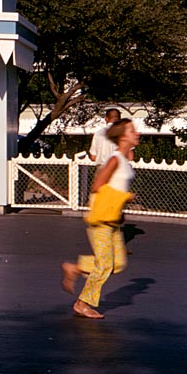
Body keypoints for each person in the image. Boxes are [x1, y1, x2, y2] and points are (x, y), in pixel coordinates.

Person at [61, 119, 139, 319]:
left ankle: (75, 268)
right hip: (102, 219)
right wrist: (124, 198)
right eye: (132, 130)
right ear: (122, 135)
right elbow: (98, 186)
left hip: (113, 219)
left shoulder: (124, 158)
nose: (136, 133)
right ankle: (82, 303)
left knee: (118, 263)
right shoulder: (114, 159)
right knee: (104, 265)